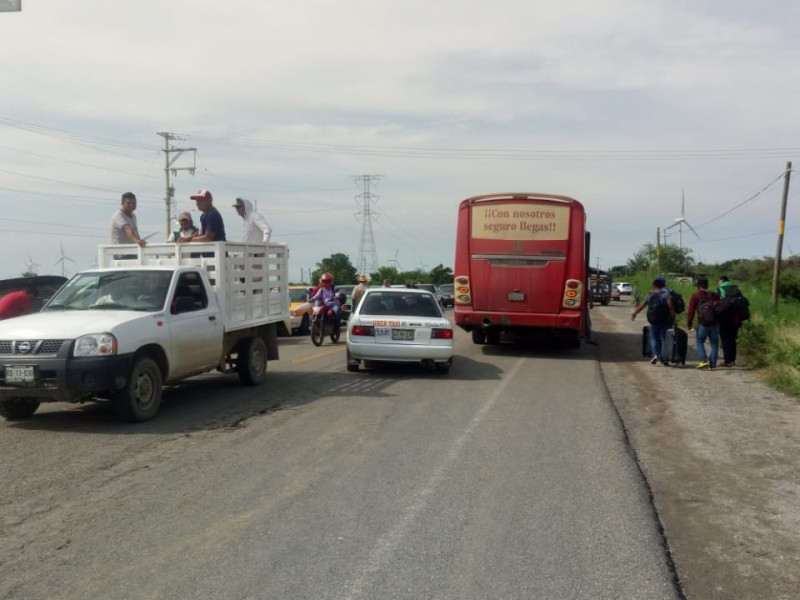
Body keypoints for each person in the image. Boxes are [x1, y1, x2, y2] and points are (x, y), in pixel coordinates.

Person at [631, 276, 676, 366]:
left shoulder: (650, 294)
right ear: (662, 285)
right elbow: (671, 307)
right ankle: (664, 360)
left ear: (654, 285)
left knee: (654, 338)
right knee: (664, 339)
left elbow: (642, 305)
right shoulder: (666, 294)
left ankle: (655, 354)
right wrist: (674, 319)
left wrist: (635, 313)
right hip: (664, 320)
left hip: (653, 320)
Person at [686, 277, 720, 369]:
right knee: (714, 344)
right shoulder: (714, 295)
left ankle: (703, 361)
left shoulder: (696, 295)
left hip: (703, 324)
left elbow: (691, 312)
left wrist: (689, 324)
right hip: (714, 323)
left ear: (698, 286)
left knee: (700, 341)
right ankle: (713, 364)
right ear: (707, 285)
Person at [717, 275, 741, 367]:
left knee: (725, 339)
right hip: (736, 318)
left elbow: (720, 303)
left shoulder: (722, 289)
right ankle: (732, 360)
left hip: (725, 317)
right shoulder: (736, 288)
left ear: (721, 281)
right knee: (732, 339)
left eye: (718, 281)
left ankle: (727, 360)